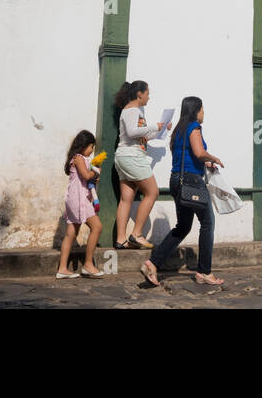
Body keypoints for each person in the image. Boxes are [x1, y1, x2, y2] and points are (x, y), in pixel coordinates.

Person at [142, 96, 224, 287]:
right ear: (196, 110)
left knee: (183, 226)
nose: (204, 113)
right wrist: (214, 158)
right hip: (192, 181)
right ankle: (204, 271)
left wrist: (205, 163)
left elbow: (187, 155)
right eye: (202, 109)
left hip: (177, 181)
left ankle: (152, 263)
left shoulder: (178, 130)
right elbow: (199, 153)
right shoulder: (194, 127)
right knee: (207, 223)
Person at [112, 80, 168, 249]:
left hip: (125, 156)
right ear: (140, 93)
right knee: (152, 192)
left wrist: (160, 129)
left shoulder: (133, 111)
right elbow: (132, 131)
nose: (149, 97)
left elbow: (139, 136)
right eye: (148, 94)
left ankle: (121, 239)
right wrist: (154, 125)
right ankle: (136, 234)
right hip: (132, 157)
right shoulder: (132, 110)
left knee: (126, 198)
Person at [57, 130, 104, 279]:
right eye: (91, 147)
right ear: (84, 145)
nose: (92, 151)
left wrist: (93, 176)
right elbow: (85, 175)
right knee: (97, 227)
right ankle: (88, 264)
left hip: (76, 198)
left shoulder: (80, 158)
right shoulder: (78, 158)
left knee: (71, 233)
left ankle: (62, 269)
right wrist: (96, 172)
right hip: (79, 199)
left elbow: (85, 178)